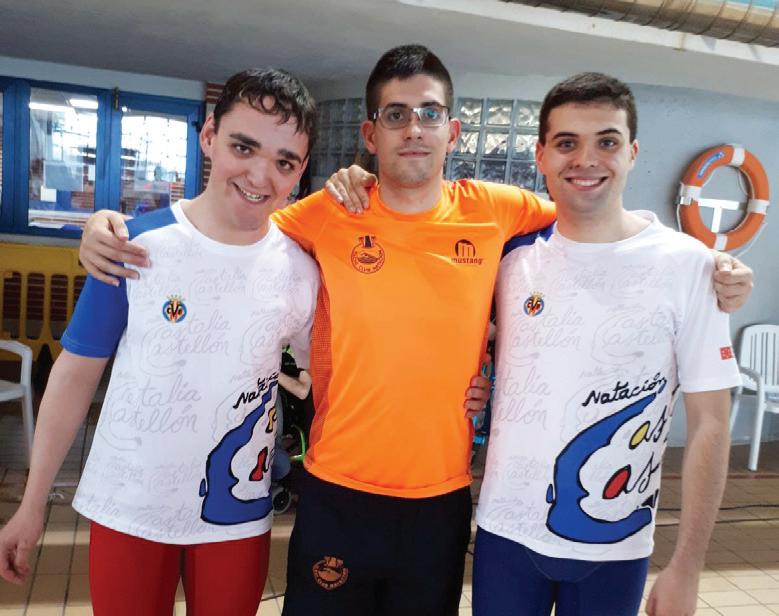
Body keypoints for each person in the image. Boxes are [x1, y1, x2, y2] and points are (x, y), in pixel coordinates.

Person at [77, 46, 752, 616]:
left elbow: (594, 214)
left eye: (428, 113)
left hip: (440, 500)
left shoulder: (498, 212)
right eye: (395, 115)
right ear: (370, 135)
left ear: (451, 131)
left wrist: (707, 264)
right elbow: (225, 228)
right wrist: (111, 227)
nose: (413, 129)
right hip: (336, 490)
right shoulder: (325, 213)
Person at [0, 68, 320, 616]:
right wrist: (32, 505)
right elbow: (74, 377)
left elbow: (328, 380)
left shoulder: (300, 270)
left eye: (284, 162)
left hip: (235, 510)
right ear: (209, 136)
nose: (260, 175)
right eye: (243, 147)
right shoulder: (133, 247)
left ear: (301, 168)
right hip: (130, 504)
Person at [472, 73, 742, 616]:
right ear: (541, 155)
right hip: (506, 532)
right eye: (567, 143)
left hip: (616, 544)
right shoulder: (510, 258)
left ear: (633, 152)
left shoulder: (688, 267)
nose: (586, 159)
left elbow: (711, 423)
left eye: (607, 141)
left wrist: (687, 565)